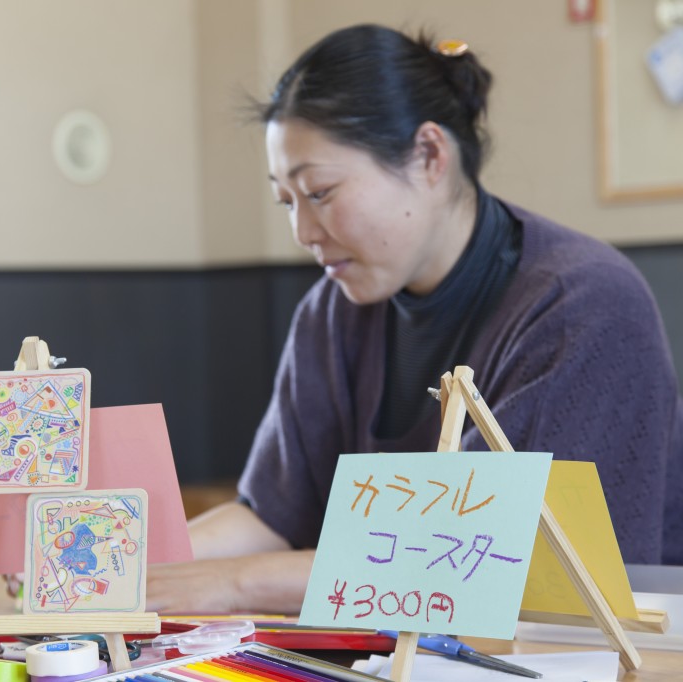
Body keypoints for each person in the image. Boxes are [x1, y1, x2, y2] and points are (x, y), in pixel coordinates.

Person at [146, 24, 683, 615]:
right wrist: (128, 566)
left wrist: (236, 582)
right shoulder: (331, 311)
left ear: (430, 155)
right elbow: (271, 513)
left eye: (319, 192)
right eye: (286, 200)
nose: (301, 232)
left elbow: (483, 561)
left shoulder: (580, 306)